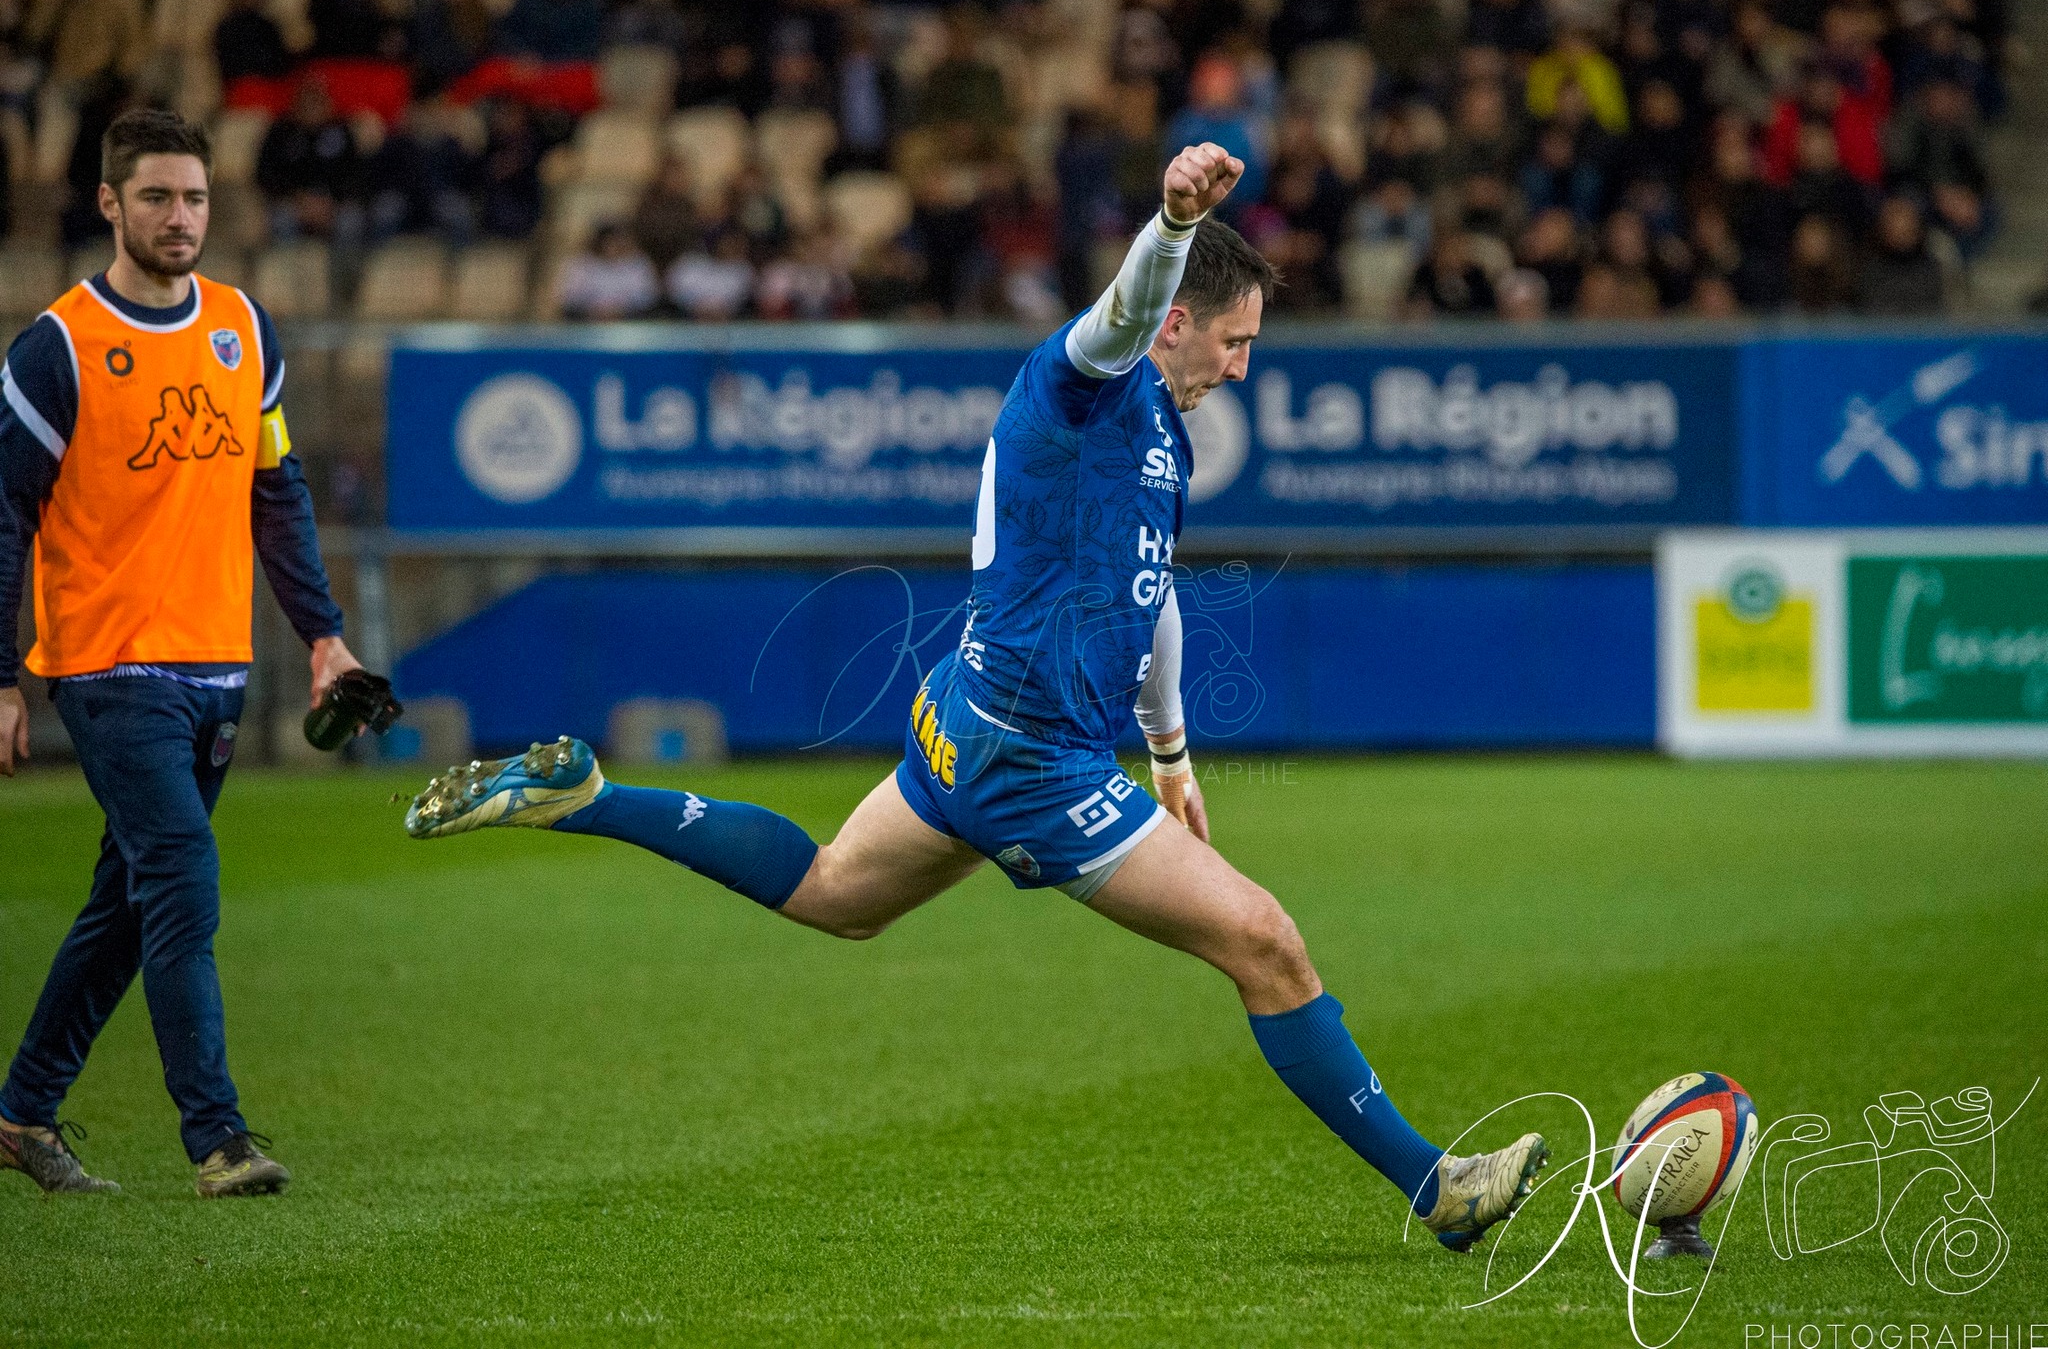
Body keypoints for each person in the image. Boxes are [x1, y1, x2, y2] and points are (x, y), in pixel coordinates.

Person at [403, 142, 1548, 1255]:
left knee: (831, 892)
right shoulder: (1082, 386)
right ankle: (1433, 1187)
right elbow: (1115, 313)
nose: (1243, 365)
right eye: (1234, 340)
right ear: (1173, 319)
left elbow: (1148, 594)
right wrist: (1172, 223)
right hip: (1032, 759)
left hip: (969, 715)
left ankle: (589, 795)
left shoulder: (1162, 437)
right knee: (1266, 944)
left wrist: (1170, 750)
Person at [0, 109, 361, 1199]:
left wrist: (325, 637)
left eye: (194, 197)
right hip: (107, 670)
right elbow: (6, 518)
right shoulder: (55, 347)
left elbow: (277, 492)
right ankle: (218, 1138)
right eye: (155, 196)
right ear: (109, 203)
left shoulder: (243, 329)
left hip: (216, 667)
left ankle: (20, 1113)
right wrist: (1, 677)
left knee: (128, 900)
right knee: (183, 882)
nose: (178, 216)